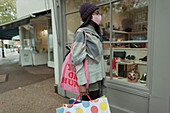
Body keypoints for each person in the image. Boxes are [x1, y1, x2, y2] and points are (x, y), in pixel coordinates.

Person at [71, 3, 106, 101]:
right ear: (89, 16)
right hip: (89, 80)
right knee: (88, 106)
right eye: (97, 13)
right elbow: (77, 60)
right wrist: (81, 83)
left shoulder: (94, 33)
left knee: (95, 106)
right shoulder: (81, 33)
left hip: (98, 77)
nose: (99, 16)